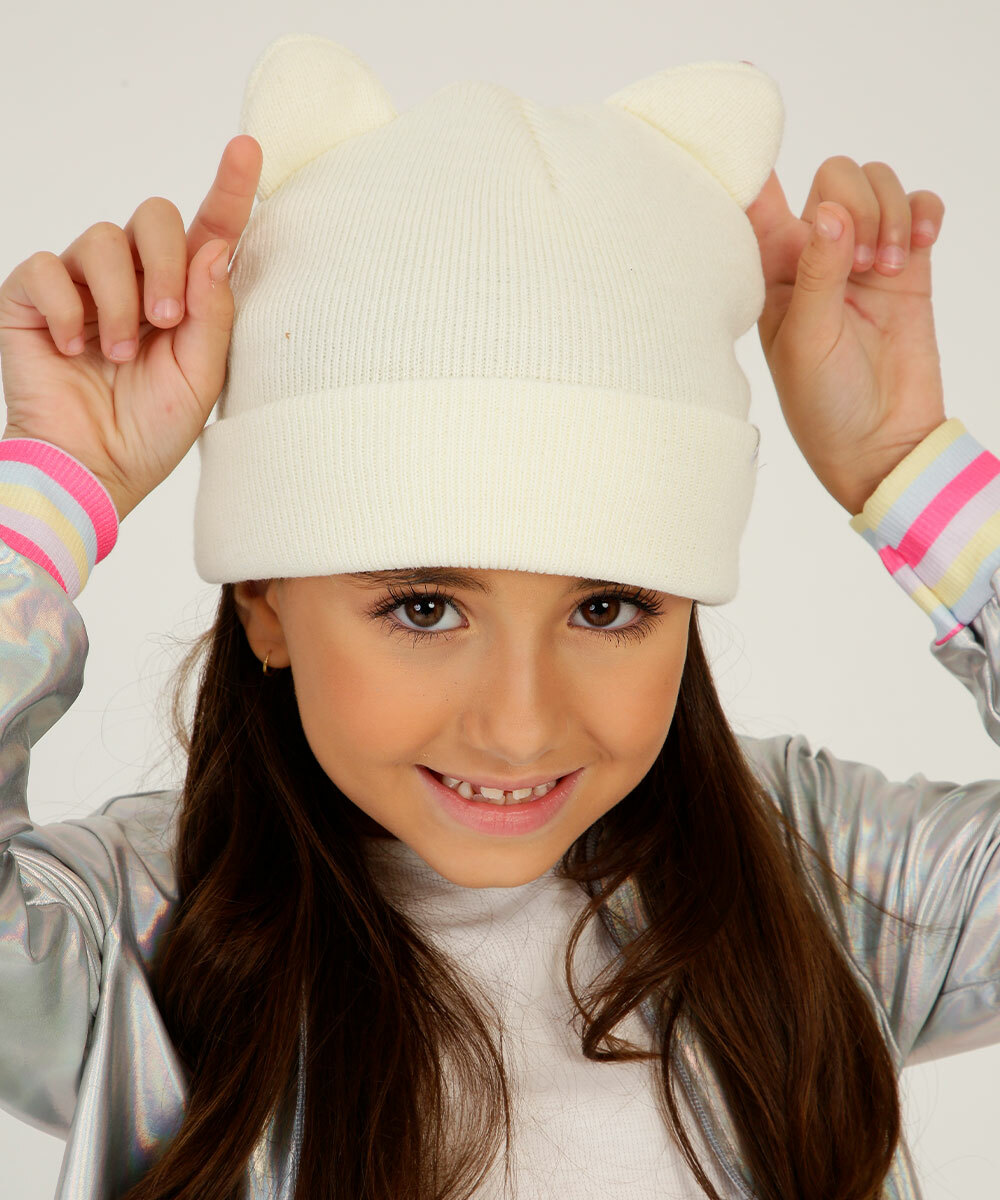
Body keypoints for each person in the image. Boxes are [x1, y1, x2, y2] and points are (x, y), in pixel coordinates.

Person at [0, 31, 994, 1200]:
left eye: (607, 606)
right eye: (424, 608)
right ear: (264, 600)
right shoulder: (138, 944)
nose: (521, 727)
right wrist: (56, 489)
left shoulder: (824, 884)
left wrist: (904, 465)